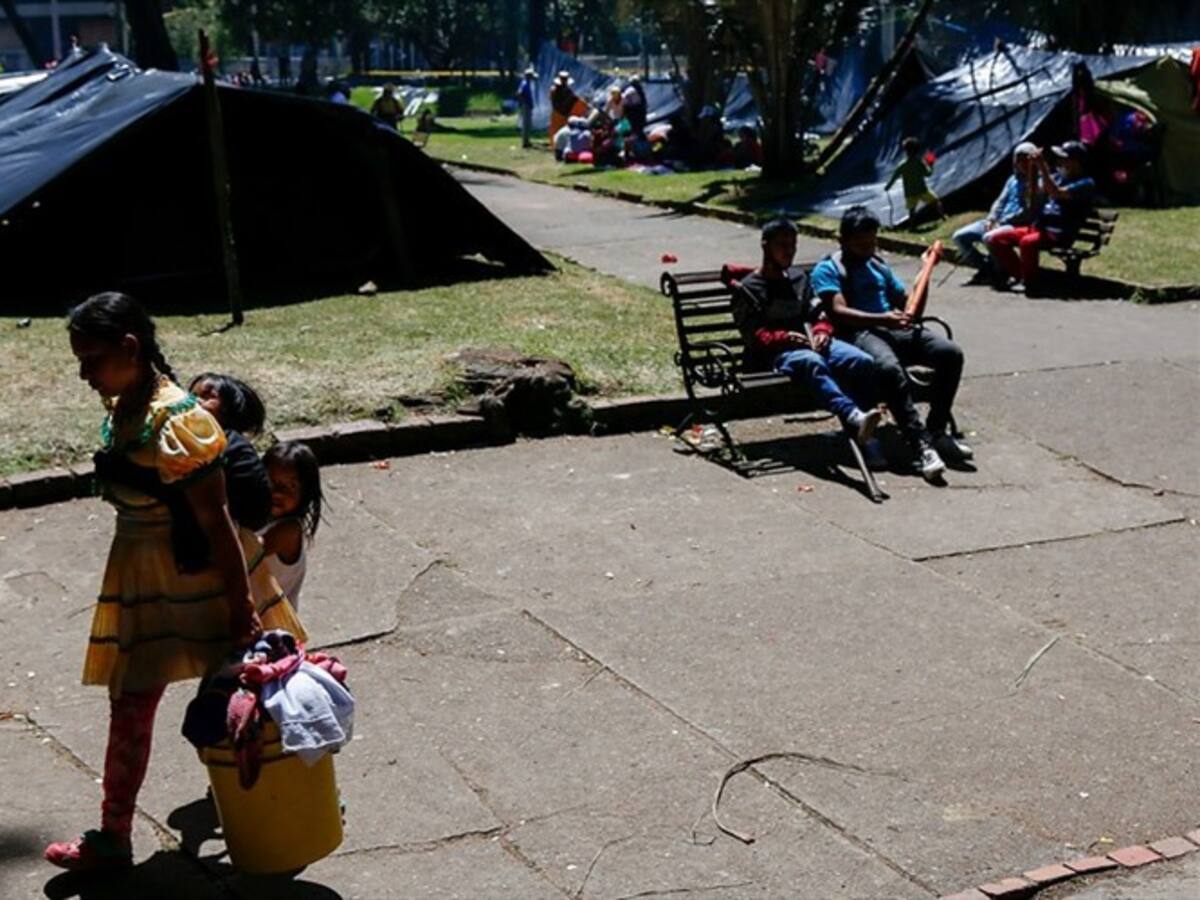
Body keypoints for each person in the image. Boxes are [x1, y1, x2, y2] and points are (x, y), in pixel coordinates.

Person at [45, 293, 305, 872]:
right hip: (145, 579)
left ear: (130, 349)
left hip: (208, 581)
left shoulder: (178, 420)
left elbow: (216, 525)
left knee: (256, 699)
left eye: (91, 359)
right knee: (130, 706)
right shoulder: (127, 405)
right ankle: (113, 835)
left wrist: (242, 613)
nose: (84, 373)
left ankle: (289, 808)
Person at [812, 207, 972, 481]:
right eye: (861, 244)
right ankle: (920, 443)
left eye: (872, 242)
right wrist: (882, 318)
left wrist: (927, 269)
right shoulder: (828, 269)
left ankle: (936, 429)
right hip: (859, 333)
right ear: (844, 241)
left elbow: (910, 308)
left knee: (950, 354)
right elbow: (838, 312)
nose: (868, 248)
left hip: (893, 328)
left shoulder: (877, 266)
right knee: (888, 368)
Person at [731, 219, 885, 466]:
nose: (789, 251)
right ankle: (854, 416)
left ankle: (865, 435)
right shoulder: (748, 288)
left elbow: (818, 313)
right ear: (765, 246)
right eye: (782, 245)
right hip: (773, 356)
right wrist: (786, 337)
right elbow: (753, 336)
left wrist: (822, 330)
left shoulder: (798, 279)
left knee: (861, 361)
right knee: (811, 361)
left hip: (809, 343)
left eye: (793, 245)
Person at [986, 141, 1095, 293]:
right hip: (1040, 228)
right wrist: (1032, 167)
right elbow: (1033, 192)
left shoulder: (1086, 183)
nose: (1059, 161)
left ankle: (1031, 283)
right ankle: (1020, 276)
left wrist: (1042, 166)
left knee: (1027, 242)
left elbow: (1056, 192)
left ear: (1076, 162)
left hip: (1059, 233)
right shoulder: (1057, 177)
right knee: (997, 239)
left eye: (1064, 158)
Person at [188, 373, 273, 531]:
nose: (195, 402)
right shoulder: (184, 440)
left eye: (207, 396)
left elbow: (257, 512)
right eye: (191, 396)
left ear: (228, 408)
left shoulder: (234, 449)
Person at [952, 142, 1040, 279]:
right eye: (1019, 160)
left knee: (990, 238)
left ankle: (1001, 271)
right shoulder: (1012, 180)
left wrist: (1002, 222)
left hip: (1015, 225)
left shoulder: (1037, 183)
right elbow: (1000, 202)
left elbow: (1029, 211)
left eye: (1025, 160)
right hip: (997, 221)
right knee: (959, 236)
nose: (1022, 163)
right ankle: (985, 268)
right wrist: (991, 218)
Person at [259, 442, 323, 612]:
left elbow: (250, 552)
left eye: (290, 486)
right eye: (270, 481)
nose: (277, 492)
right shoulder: (261, 519)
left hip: (274, 627)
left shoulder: (289, 531)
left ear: (305, 493)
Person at [886, 136, 944, 223]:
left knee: (912, 211)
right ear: (917, 150)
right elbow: (928, 174)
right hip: (922, 190)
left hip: (910, 193)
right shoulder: (919, 163)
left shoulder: (902, 165)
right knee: (936, 202)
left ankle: (912, 226)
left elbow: (894, 177)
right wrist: (931, 165)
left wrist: (888, 187)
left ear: (906, 151)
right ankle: (943, 217)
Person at [516, 67, 538, 148]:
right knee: (526, 124)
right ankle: (525, 142)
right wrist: (524, 102)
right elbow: (519, 93)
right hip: (526, 106)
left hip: (527, 105)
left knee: (528, 124)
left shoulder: (527, 83)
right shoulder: (525, 83)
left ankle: (527, 141)